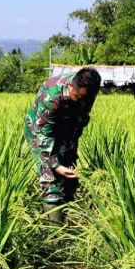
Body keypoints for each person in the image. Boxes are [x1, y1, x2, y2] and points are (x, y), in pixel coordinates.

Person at [24, 66, 102, 224]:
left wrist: (71, 150)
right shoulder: (51, 95)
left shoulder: (87, 91)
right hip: (40, 130)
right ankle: (54, 235)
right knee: (50, 179)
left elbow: (79, 122)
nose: (83, 102)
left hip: (66, 128)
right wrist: (55, 165)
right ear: (70, 86)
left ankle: (68, 216)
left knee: (69, 175)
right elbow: (43, 135)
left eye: (87, 99)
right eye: (78, 98)